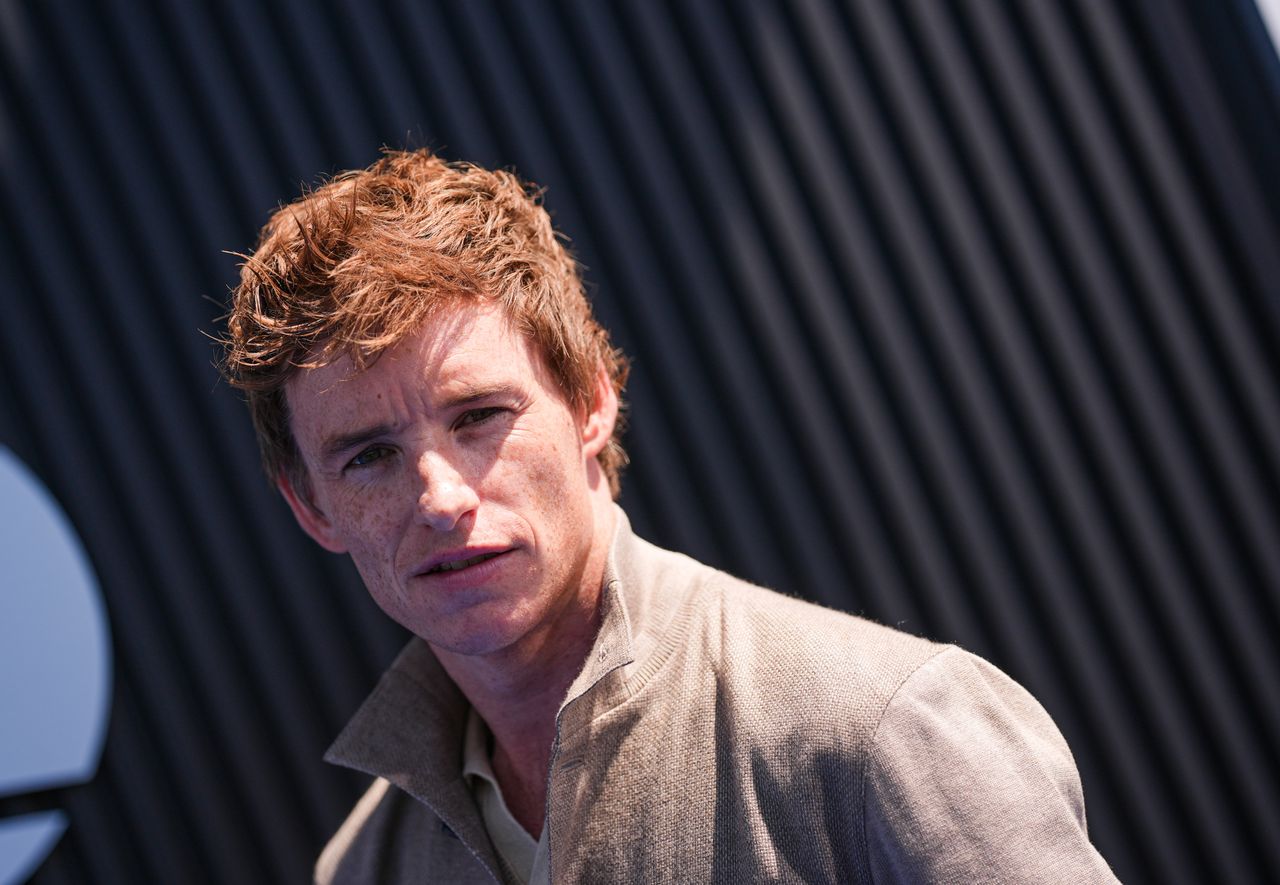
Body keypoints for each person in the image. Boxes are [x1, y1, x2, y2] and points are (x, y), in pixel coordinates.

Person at [221, 149, 1119, 884]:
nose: (442, 498)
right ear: (312, 505)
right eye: (369, 455)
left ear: (590, 404)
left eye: (479, 417)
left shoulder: (884, 730)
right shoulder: (368, 870)